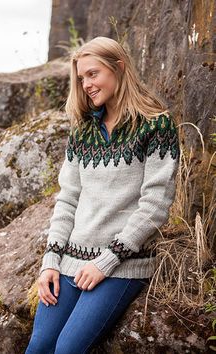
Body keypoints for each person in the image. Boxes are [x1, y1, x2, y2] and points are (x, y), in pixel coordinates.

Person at [25, 36, 179, 354]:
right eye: (81, 78)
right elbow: (68, 199)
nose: (86, 85)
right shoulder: (83, 131)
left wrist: (106, 261)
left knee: (67, 349)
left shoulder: (156, 125)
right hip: (70, 261)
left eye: (92, 74)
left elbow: (155, 204)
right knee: (39, 346)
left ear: (119, 68)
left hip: (122, 264)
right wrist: (50, 262)